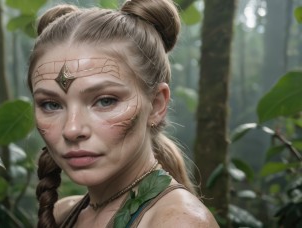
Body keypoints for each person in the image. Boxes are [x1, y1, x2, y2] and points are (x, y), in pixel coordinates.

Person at [27, 0, 219, 227]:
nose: (72, 129)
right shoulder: (63, 213)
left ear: (156, 105)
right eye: (51, 105)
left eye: (105, 101)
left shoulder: (178, 222)